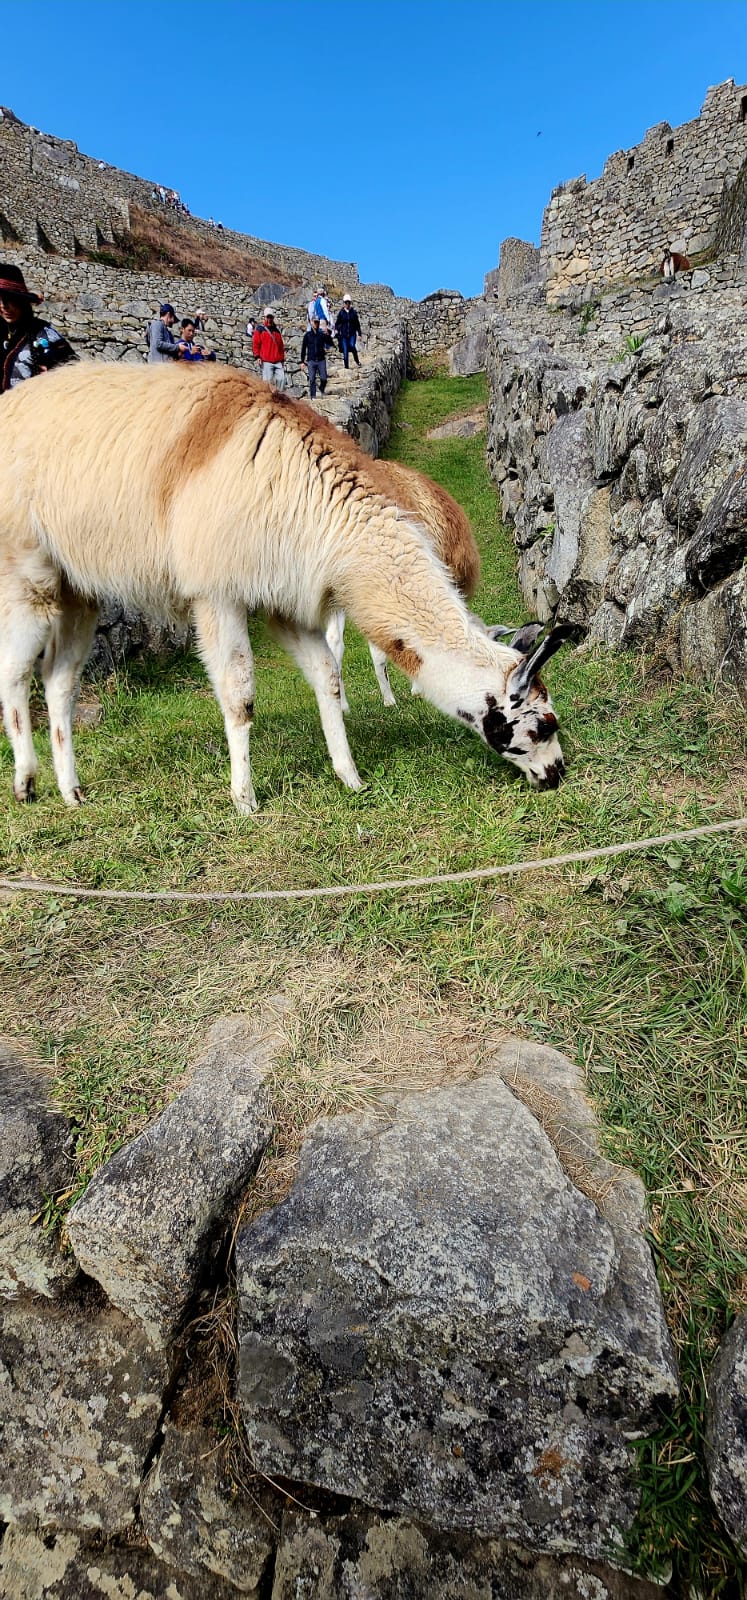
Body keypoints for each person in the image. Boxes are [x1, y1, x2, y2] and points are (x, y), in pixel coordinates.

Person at [0, 262, 77, 393]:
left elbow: (74, 372)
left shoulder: (44, 334)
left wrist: (52, 379)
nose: (4, 306)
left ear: (22, 302)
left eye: (10, 300)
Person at [300, 314, 333, 399]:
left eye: (317, 322)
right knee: (312, 379)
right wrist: (302, 361)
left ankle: (322, 388)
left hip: (321, 359)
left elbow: (330, 343)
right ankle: (313, 396)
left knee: (324, 378)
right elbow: (303, 348)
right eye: (315, 322)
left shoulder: (321, 334)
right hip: (311, 360)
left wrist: (328, 333)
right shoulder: (307, 335)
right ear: (311, 322)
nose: (316, 324)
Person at [252, 307, 285, 388]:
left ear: (273, 318)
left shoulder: (276, 331)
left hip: (277, 361)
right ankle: (266, 398)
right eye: (268, 317)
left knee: (282, 379)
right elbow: (256, 343)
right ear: (265, 317)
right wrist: (257, 356)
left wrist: (282, 359)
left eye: (271, 317)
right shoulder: (260, 329)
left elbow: (281, 346)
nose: (269, 319)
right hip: (266, 360)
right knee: (267, 382)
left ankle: (279, 397)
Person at [335, 293, 362, 368]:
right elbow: (337, 323)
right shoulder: (341, 313)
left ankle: (357, 361)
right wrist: (337, 329)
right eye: (346, 302)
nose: (347, 304)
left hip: (352, 334)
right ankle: (346, 367)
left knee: (352, 346)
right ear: (344, 303)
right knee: (345, 351)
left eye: (348, 302)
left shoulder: (353, 313)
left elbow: (357, 324)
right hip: (343, 335)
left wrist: (359, 334)